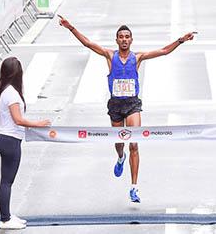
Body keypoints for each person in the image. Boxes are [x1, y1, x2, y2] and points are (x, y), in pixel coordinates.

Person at [58, 15, 195, 203]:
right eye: (121, 36)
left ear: (131, 40)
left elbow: (163, 51)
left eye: (127, 36)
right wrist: (70, 27)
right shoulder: (109, 56)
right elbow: (88, 44)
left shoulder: (137, 58)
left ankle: (134, 187)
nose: (124, 39)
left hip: (132, 104)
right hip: (115, 105)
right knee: (119, 143)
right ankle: (120, 157)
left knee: (134, 143)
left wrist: (181, 40)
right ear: (117, 40)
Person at [0, 57, 51, 230]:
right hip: (10, 141)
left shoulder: (5, 90)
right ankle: (5, 219)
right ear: (18, 73)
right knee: (6, 182)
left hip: (5, 138)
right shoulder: (11, 93)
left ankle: (7, 215)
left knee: (6, 180)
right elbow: (18, 120)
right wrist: (39, 124)